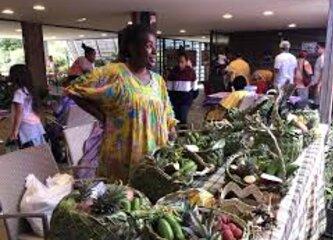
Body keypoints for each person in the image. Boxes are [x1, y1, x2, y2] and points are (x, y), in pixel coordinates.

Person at [65, 24, 177, 182]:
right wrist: (101, 115)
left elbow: (167, 109)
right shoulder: (115, 73)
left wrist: (171, 128)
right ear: (131, 47)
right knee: (126, 200)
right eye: (148, 46)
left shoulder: (158, 81)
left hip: (155, 156)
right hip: (122, 158)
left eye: (155, 47)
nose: (154, 52)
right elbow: (73, 88)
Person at [8, 64, 46, 148]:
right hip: (35, 123)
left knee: (30, 152)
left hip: (26, 127)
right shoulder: (28, 89)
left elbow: (19, 113)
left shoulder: (19, 92)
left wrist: (15, 131)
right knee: (39, 150)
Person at [167, 53, 197, 125]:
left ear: (186, 62)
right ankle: (178, 133)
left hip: (186, 99)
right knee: (176, 118)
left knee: (183, 117)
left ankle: (183, 133)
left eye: (182, 62)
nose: (180, 64)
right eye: (178, 62)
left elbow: (195, 88)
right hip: (175, 99)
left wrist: (192, 97)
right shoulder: (173, 72)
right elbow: (169, 87)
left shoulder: (191, 72)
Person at [310, 42, 325, 108]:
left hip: (320, 82)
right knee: (316, 97)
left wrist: (319, 83)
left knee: (318, 98)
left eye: (318, 48)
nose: (316, 49)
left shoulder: (322, 58)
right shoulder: (320, 58)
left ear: (323, 48)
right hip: (317, 81)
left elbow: (323, 72)